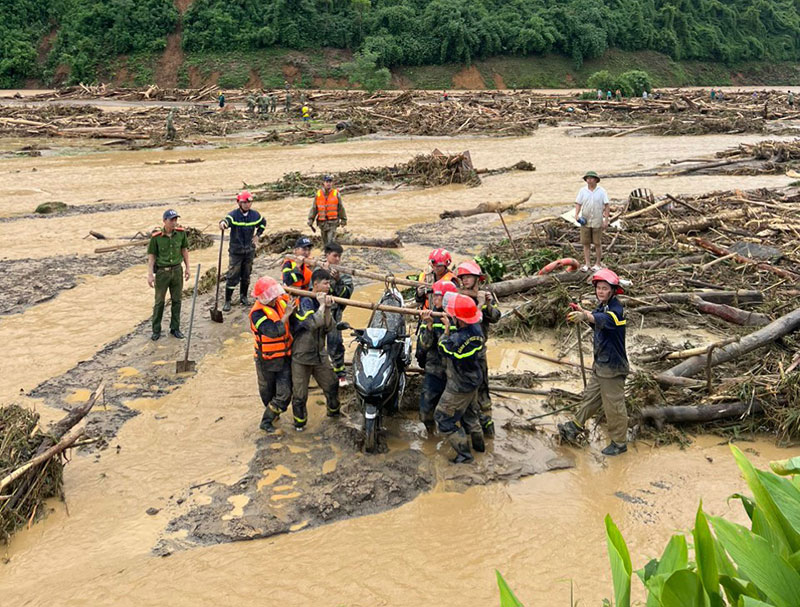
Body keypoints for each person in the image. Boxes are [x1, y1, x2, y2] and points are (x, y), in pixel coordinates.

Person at [558, 269, 630, 456]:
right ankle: (574, 426)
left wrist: (586, 316)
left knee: (614, 406)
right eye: (598, 288)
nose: (601, 291)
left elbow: (604, 320)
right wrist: (583, 313)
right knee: (590, 397)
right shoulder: (602, 306)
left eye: (605, 288)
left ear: (613, 290)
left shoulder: (616, 311)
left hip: (613, 368)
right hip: (601, 365)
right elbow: (595, 318)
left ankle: (620, 443)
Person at [431, 292, 485, 463]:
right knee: (470, 416)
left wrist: (445, 330)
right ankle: (480, 449)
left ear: (458, 319)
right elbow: (460, 331)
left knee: (443, 418)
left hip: (461, 384)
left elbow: (444, 348)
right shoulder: (475, 328)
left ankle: (465, 455)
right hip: (473, 379)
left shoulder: (461, 339)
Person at [290, 269, 340, 430]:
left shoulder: (322, 302)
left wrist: (327, 308)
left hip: (319, 354)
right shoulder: (305, 301)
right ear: (315, 284)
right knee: (299, 395)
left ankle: (334, 415)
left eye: (329, 283)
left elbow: (329, 326)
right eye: (325, 283)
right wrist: (322, 305)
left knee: (332, 384)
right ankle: (300, 425)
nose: (328, 286)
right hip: (301, 356)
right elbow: (312, 324)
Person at [456, 260, 500, 437]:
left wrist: (486, 305)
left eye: (468, 277)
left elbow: (496, 316)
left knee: (482, 386)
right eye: (463, 277)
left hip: (479, 349)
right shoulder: (459, 297)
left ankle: (486, 420)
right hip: (461, 349)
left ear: (477, 279)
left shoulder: (486, 296)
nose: (465, 280)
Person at [249, 276, 295, 432]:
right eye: (271, 296)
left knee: (285, 392)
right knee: (267, 393)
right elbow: (273, 331)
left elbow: (292, 297)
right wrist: (286, 315)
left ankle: (267, 420)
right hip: (266, 360)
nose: (275, 298)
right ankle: (271, 418)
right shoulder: (257, 314)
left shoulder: (281, 301)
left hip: (284, 356)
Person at [418, 279, 458, 429]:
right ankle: (430, 434)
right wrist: (428, 326)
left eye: (438, 297)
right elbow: (424, 345)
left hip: (453, 372)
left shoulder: (458, 319)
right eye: (434, 296)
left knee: (454, 413)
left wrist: (447, 330)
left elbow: (454, 348)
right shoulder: (430, 316)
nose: (435, 299)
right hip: (434, 369)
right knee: (425, 410)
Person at [219, 190, 266, 311]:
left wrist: (257, 235)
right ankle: (228, 301)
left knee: (246, 275)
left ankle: (243, 297)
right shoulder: (234, 215)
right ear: (239, 203)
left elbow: (263, 223)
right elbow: (226, 221)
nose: (247, 204)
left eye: (249, 202)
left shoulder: (255, 215)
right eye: (244, 202)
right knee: (232, 275)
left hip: (249, 251)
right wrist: (222, 224)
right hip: (236, 251)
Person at [147, 209, 190, 341]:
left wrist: (188, 268)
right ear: (164, 221)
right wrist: (150, 274)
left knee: (177, 300)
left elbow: (184, 250)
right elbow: (151, 256)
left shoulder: (181, 234)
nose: (174, 222)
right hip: (162, 272)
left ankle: (175, 328)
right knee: (159, 302)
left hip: (177, 270)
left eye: (176, 219)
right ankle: (156, 330)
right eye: (171, 220)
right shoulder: (156, 237)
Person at [322, 241, 354, 386]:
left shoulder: (345, 274)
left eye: (339, 256)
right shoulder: (318, 269)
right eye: (335, 256)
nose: (337, 259)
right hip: (318, 311)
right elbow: (312, 288)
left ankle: (340, 374)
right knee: (315, 343)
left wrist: (338, 280)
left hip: (334, 312)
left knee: (335, 342)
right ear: (327, 255)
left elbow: (346, 295)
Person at [574, 170, 610, 272]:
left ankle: (598, 264)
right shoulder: (582, 191)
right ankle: (587, 264)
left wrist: (606, 220)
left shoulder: (601, 191)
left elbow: (607, 206)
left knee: (597, 243)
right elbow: (578, 203)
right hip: (585, 220)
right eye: (588, 178)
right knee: (586, 243)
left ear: (596, 180)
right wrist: (576, 215)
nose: (589, 180)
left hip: (597, 220)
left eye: (591, 178)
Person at [308, 175, 346, 245]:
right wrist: (310, 220)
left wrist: (343, 220)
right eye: (327, 181)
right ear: (323, 183)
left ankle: (331, 253)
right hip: (322, 224)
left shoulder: (336, 194)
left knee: (330, 241)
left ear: (332, 183)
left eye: (330, 182)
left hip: (333, 222)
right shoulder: (318, 194)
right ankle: (327, 254)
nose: (328, 183)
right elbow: (314, 208)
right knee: (325, 242)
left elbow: (340, 207)